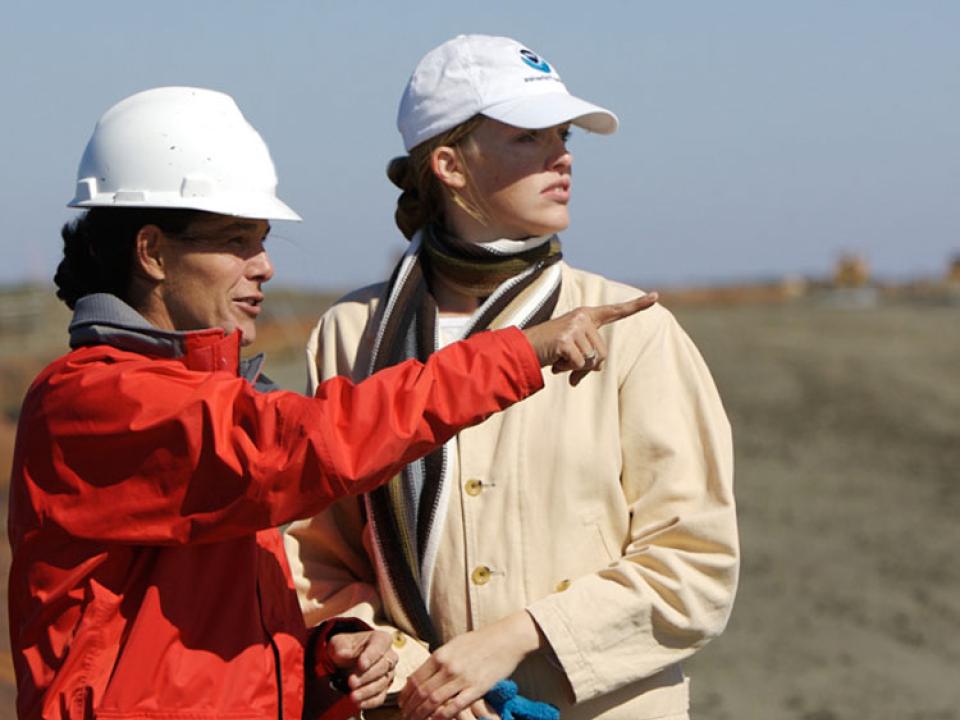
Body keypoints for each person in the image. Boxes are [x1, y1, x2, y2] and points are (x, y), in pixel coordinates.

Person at [6, 86, 656, 720]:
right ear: (151, 251)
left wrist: (319, 666)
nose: (264, 267)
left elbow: (193, 642)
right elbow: (307, 446)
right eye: (236, 241)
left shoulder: (205, 401)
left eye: (262, 240)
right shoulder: (91, 401)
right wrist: (517, 353)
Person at [284, 35, 739, 720]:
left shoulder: (635, 330)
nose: (563, 156)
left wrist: (517, 638)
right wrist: (411, 670)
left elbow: (696, 565)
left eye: (563, 135)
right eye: (529, 137)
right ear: (448, 164)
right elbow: (316, 561)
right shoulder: (352, 334)